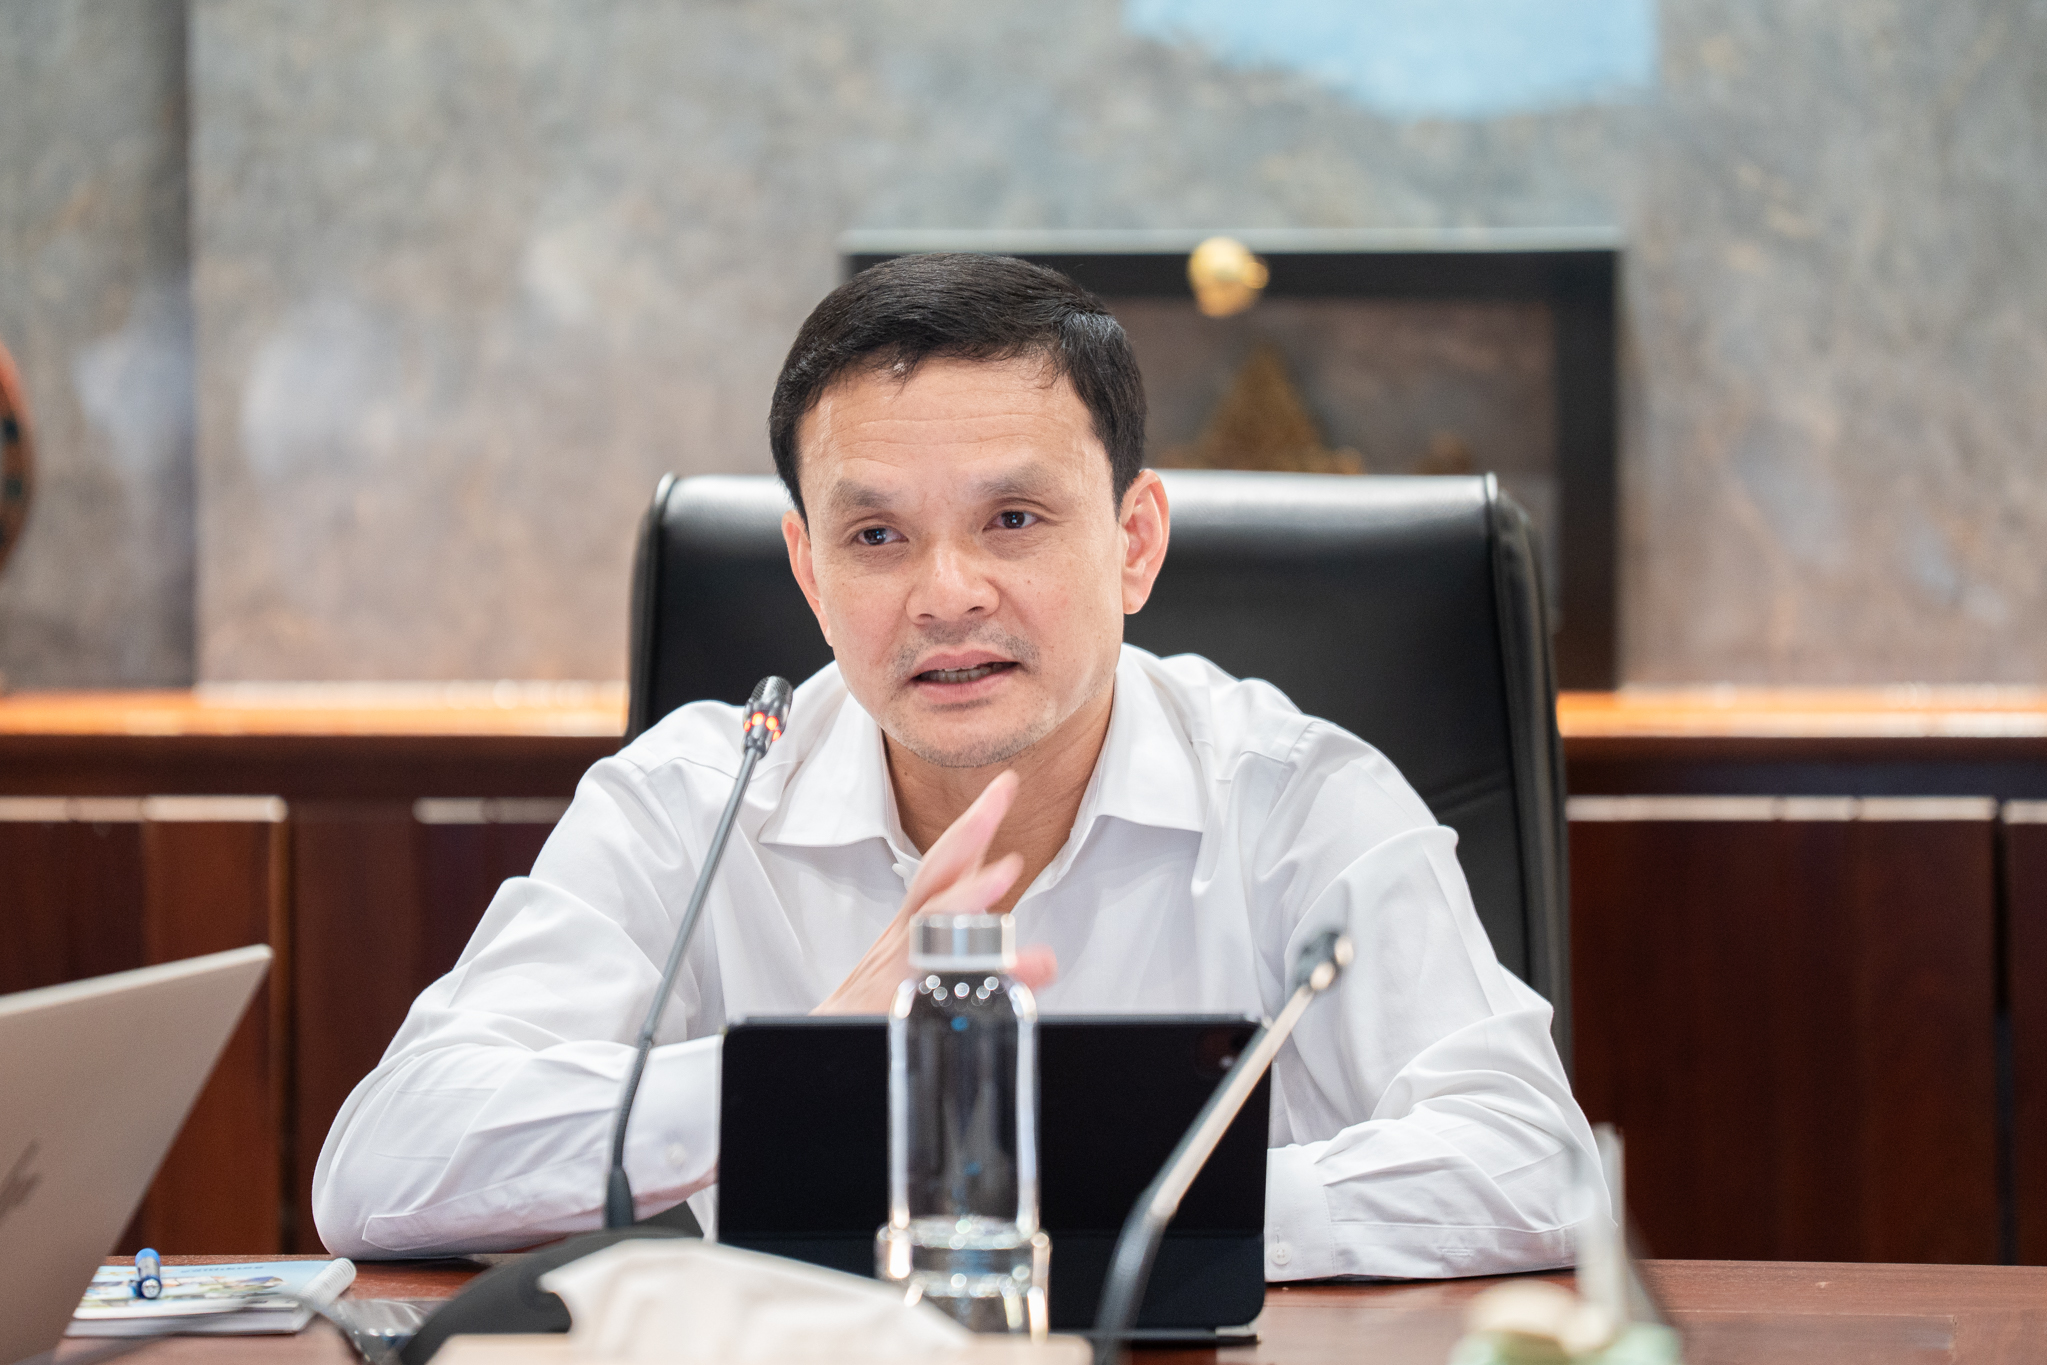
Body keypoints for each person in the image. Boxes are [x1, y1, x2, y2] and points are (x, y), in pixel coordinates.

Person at [313, 253, 1602, 1279]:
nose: (947, 594)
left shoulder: (1298, 797)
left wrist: (1106, 1205)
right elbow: (382, 1163)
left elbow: (1534, 1164)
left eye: (1014, 519)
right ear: (809, 572)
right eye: (876, 535)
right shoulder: (693, 801)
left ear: (1134, 542)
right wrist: (800, 1082)